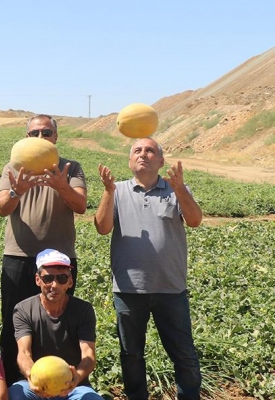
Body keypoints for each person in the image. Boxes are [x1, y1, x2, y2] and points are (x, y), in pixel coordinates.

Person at [93, 138, 203, 400]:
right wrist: (108, 192)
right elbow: (102, 227)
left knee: (184, 354)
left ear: (161, 161)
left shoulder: (176, 189)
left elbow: (195, 220)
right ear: (130, 161)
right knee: (131, 355)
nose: (144, 155)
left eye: (150, 151)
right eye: (137, 151)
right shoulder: (116, 190)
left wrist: (179, 189)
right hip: (129, 289)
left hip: (170, 288)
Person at [0, 114, 87, 384]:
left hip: (59, 262)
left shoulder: (70, 168)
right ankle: (15, 384)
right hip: (18, 257)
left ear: (56, 138)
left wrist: (61, 186)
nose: (40, 138)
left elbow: (80, 205)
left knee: (58, 323)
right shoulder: (12, 167)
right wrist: (16, 192)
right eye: (34, 133)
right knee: (14, 325)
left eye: (47, 133)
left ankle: (58, 383)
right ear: (26, 137)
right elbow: (2, 208)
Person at [9, 249, 104, 400]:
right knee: (16, 394)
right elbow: (24, 353)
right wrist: (31, 376)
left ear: (70, 281)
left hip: (74, 387)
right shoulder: (23, 309)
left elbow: (88, 356)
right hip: (37, 386)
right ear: (37, 279)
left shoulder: (83, 310)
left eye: (61, 278)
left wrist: (75, 379)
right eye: (48, 278)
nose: (54, 285)